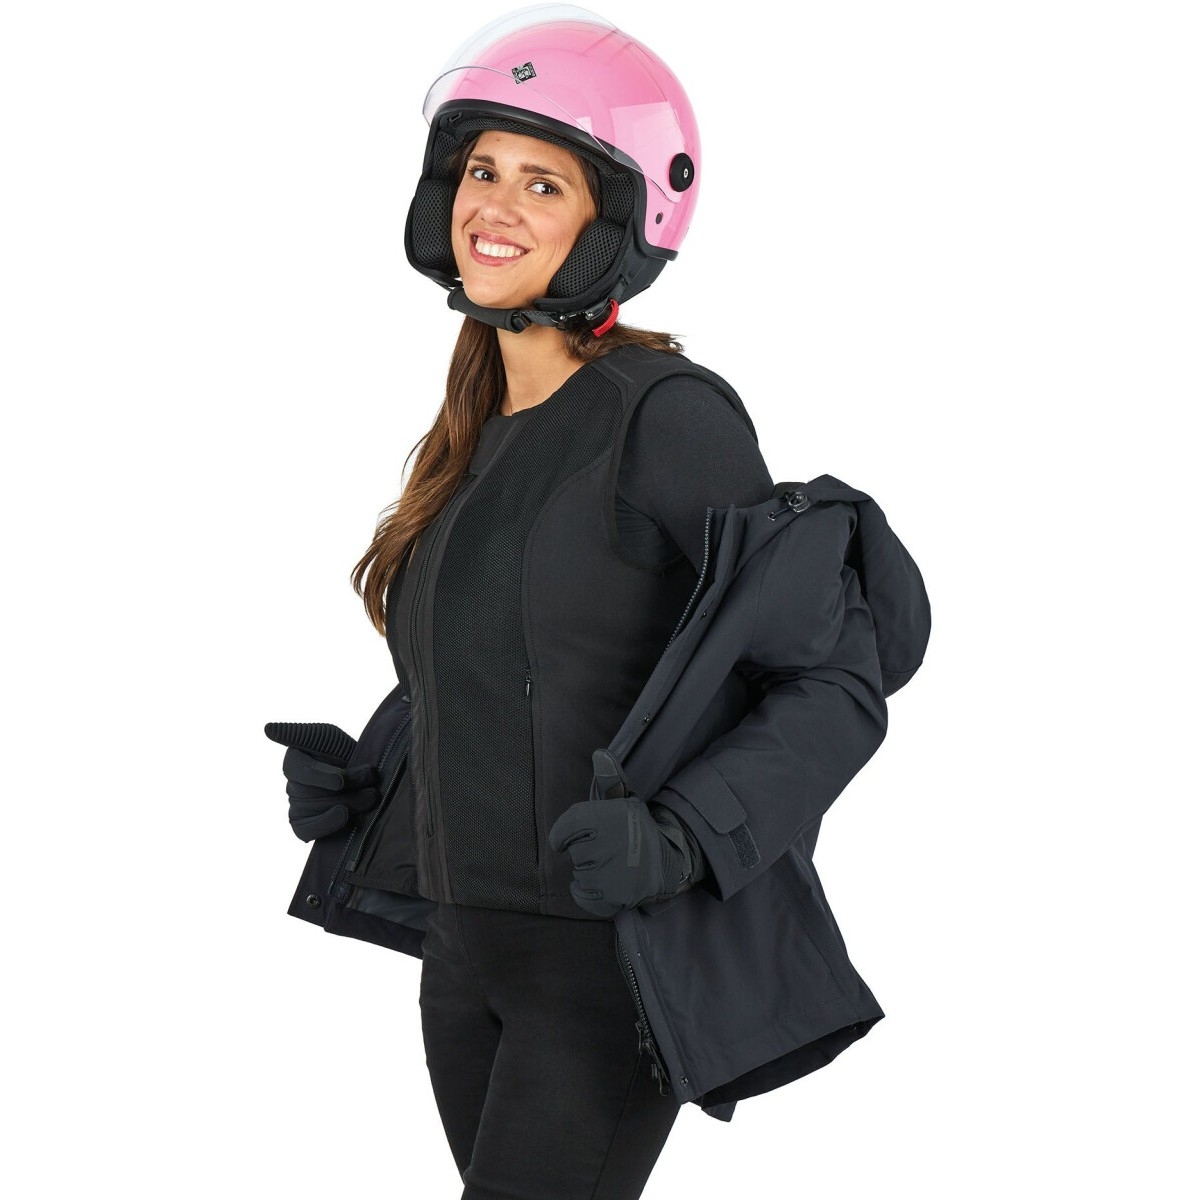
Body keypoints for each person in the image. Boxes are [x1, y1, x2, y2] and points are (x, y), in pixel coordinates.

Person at [349, 6, 777, 1197]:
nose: (494, 204)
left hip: (599, 961)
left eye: (544, 183)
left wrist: (685, 836)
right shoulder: (476, 428)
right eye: (482, 169)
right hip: (463, 955)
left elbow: (824, 678)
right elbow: (528, 673)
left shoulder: (668, 419)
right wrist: (374, 789)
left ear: (619, 223)